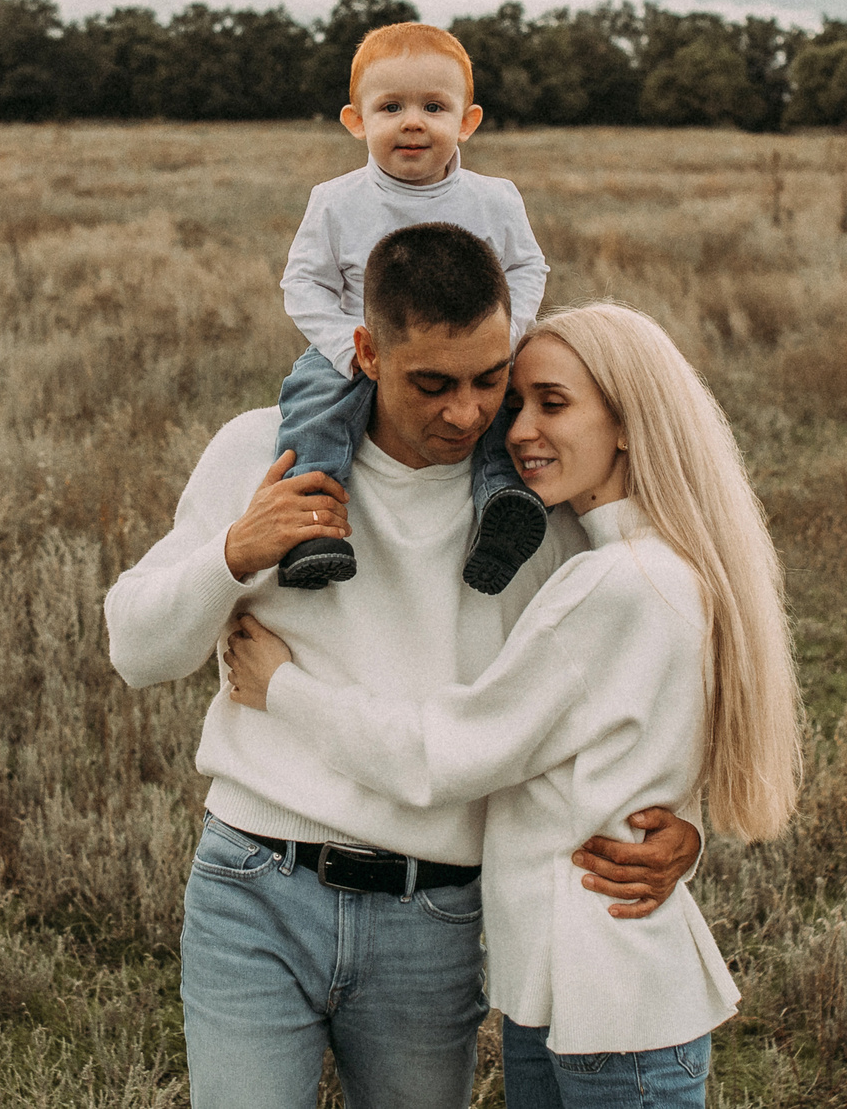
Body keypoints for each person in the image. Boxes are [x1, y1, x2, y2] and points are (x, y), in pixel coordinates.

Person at [106, 227, 703, 1109]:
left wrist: (682, 827)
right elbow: (133, 650)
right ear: (367, 352)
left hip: (432, 915)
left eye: (490, 379)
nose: (468, 413)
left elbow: (631, 678)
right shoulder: (265, 450)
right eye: (433, 384)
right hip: (254, 886)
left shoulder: (534, 505)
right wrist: (233, 553)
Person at [222, 301, 803, 1109]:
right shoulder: (661, 567)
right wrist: (684, 832)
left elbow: (443, 754)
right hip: (579, 996)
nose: (519, 431)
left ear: (628, 422)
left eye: (553, 404)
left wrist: (282, 688)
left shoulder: (614, 585)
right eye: (518, 403)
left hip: (607, 1002)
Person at [273, 22, 550, 594]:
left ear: (467, 121)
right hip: (360, 343)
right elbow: (303, 283)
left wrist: (507, 336)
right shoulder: (336, 201)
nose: (413, 122)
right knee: (312, 401)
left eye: (434, 106)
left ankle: (503, 503)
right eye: (391, 107)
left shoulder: (493, 198)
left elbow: (528, 268)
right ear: (357, 120)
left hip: (472, 350)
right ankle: (313, 520)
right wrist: (344, 345)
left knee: (496, 400)